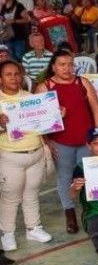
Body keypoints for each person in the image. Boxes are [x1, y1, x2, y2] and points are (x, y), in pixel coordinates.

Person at [35, 50, 98, 234]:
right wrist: (46, 140)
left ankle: (92, 209)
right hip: (60, 141)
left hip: (86, 139)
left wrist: (97, 133)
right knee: (64, 176)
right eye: (62, 64)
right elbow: (39, 119)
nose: (67, 68)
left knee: (88, 175)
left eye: (70, 64)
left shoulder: (82, 82)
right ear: (53, 67)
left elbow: (96, 108)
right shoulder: (45, 87)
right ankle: (69, 212)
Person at [0, 60, 52, 252]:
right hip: (11, 156)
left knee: (31, 194)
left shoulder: (29, 97)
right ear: (1, 78)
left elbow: (42, 123)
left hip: (36, 153)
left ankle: (33, 228)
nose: (14, 77)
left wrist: (54, 115)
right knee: (10, 197)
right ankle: (8, 233)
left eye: (16, 74)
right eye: (8, 74)